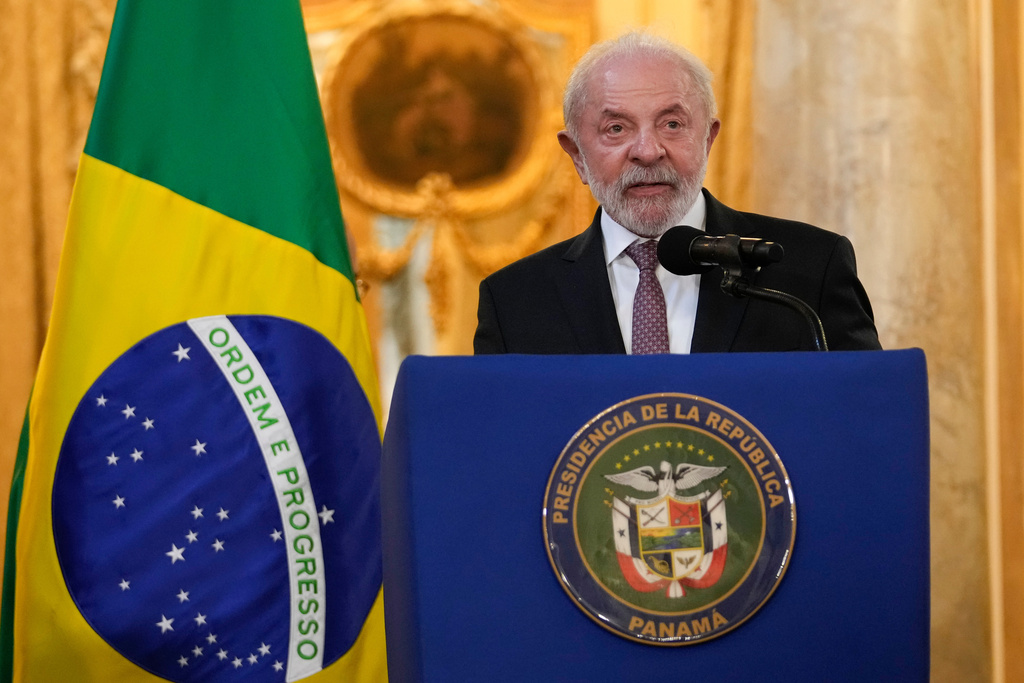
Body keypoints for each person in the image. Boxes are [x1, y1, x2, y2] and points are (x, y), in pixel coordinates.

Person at [474, 31, 881, 354]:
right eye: (616, 128)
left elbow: (867, 417)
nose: (648, 151)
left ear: (707, 139)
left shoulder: (809, 270)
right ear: (577, 155)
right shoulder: (514, 301)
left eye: (672, 124)